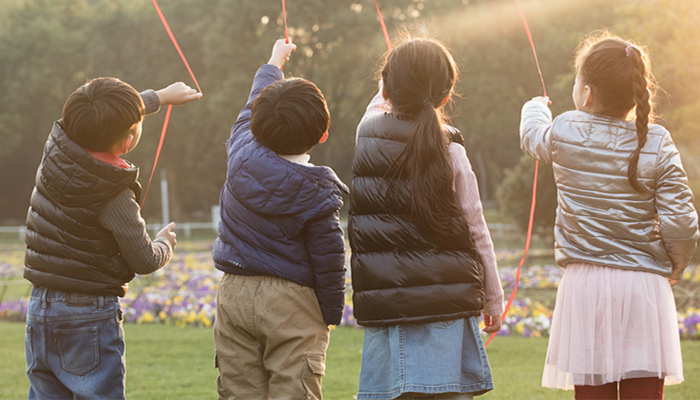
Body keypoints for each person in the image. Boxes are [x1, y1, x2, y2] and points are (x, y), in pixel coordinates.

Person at [519, 31, 699, 400]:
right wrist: (676, 267)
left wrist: (535, 106)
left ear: (586, 93)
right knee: (644, 391)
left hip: (586, 284)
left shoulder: (565, 129)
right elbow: (682, 220)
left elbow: (531, 136)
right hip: (644, 286)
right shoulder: (658, 140)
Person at [23, 77, 201, 399]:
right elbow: (144, 259)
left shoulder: (56, 150)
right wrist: (164, 245)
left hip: (40, 306)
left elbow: (101, 114)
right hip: (87, 313)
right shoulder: (112, 191)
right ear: (127, 140)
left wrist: (160, 97)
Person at [349, 37, 505, 400]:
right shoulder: (451, 150)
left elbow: (379, 103)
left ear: (385, 88)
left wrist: (389, 84)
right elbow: (476, 230)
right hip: (447, 309)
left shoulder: (365, 132)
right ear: (446, 97)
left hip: (389, 313)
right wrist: (493, 299)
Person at [211, 38, 348, 400]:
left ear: (255, 121)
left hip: (234, 291)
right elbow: (329, 256)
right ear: (322, 135)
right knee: (294, 391)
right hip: (291, 302)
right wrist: (330, 313)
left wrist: (274, 62)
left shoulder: (241, 147)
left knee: (238, 391)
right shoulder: (318, 192)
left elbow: (255, 98)